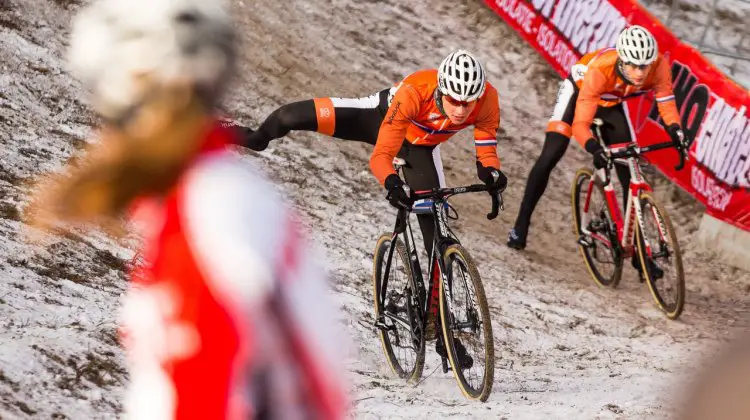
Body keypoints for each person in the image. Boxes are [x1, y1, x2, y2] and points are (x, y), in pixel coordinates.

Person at [29, 0, 349, 418]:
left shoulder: (211, 217)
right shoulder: (210, 195)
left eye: (108, 97)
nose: (102, 125)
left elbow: (209, 393)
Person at [234, 50, 507, 366]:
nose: (461, 110)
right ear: (441, 90)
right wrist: (392, 183)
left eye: (468, 103)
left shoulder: (487, 99)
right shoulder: (413, 93)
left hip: (420, 149)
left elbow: (486, 145)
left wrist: (491, 173)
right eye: (454, 101)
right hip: (378, 120)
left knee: (439, 239)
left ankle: (445, 335)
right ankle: (253, 138)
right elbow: (380, 157)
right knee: (287, 118)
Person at [507, 25, 686, 262]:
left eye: (645, 66)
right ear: (622, 60)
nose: (640, 72)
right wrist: (593, 147)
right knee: (551, 154)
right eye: (633, 65)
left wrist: (675, 129)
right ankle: (521, 224)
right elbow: (581, 124)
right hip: (579, 93)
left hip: (611, 103)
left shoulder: (660, 66)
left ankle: (635, 247)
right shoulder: (601, 70)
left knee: (628, 168)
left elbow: (666, 103)